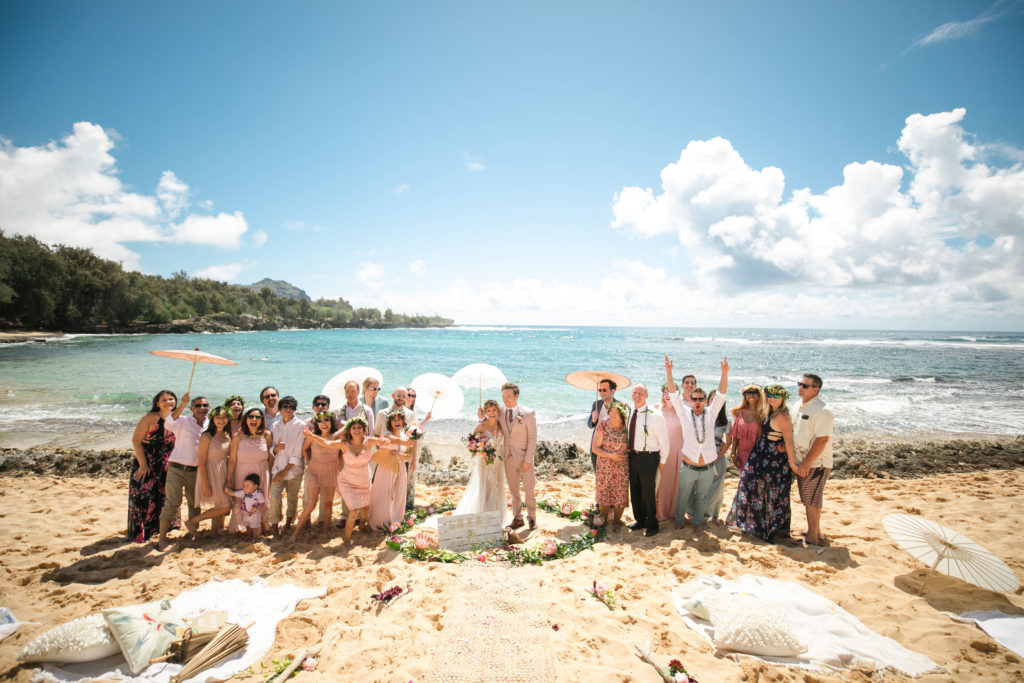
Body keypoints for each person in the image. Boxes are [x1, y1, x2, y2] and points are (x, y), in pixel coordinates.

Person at [725, 384, 797, 543]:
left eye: (776, 396)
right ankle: (756, 524)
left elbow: (790, 441)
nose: (772, 398)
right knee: (753, 488)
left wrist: (793, 464)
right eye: (770, 395)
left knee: (769, 493)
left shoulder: (781, 415)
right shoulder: (769, 412)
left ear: (783, 398)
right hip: (761, 457)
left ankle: (767, 527)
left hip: (773, 460)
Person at [666, 357, 730, 533]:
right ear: (691, 399)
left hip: (707, 467)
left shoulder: (711, 412)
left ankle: (697, 524)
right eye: (695, 398)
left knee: (702, 498)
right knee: (683, 496)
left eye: (701, 398)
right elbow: (673, 394)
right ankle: (679, 520)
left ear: (705, 400)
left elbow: (721, 394)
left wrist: (724, 374)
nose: (698, 401)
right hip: (688, 466)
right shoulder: (684, 412)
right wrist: (669, 372)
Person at [304, 416, 390, 546]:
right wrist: (311, 436)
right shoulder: (343, 444)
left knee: (365, 507)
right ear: (349, 430)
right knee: (354, 511)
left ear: (364, 429)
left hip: (364, 480)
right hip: (347, 481)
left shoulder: (369, 441)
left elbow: (382, 440)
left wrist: (384, 441)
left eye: (359, 427)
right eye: (354, 428)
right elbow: (326, 443)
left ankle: (361, 525)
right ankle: (347, 538)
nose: (356, 430)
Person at [158, 393, 210, 551]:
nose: (202, 408)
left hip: (196, 471)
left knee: (195, 504)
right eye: (198, 405)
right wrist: (181, 405)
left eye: (205, 405)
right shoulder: (183, 420)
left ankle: (193, 533)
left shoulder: (209, 423)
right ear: (192, 408)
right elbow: (168, 423)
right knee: (172, 504)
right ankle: (162, 539)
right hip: (177, 468)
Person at [128, 390, 177, 543]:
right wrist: (143, 465)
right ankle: (141, 533)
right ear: (157, 403)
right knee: (143, 496)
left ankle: (163, 529)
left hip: (167, 464)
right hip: (148, 462)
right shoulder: (149, 418)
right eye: (164, 400)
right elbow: (136, 441)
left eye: (171, 399)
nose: (168, 402)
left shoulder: (175, 419)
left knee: (163, 497)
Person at [793, 374, 834, 547]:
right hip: (802, 461)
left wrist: (806, 463)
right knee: (808, 498)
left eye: (805, 385)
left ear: (816, 389)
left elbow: (822, 439)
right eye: (799, 384)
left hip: (816, 463)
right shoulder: (798, 405)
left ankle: (813, 537)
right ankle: (814, 531)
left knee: (812, 500)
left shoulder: (822, 410)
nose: (800, 387)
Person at [625, 383, 671, 537]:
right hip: (633, 456)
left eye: (640, 393)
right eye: (634, 393)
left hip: (649, 457)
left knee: (648, 492)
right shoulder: (631, 412)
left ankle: (652, 524)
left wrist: (663, 461)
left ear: (646, 395)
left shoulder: (655, 415)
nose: (637, 396)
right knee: (635, 490)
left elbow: (664, 441)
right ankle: (640, 520)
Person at [451, 399, 507, 523]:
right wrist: (482, 451)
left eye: (494, 410)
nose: (491, 413)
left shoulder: (501, 424)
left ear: (498, 410)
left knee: (497, 486)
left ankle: (497, 518)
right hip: (484, 461)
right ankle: (482, 517)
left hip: (498, 460)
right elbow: (472, 444)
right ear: (485, 412)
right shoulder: (481, 426)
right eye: (488, 411)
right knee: (484, 486)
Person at [290, 411, 342, 542]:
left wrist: (339, 464)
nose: (323, 423)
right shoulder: (311, 436)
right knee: (311, 503)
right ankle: (296, 533)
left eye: (326, 420)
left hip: (331, 471)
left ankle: (325, 529)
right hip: (314, 471)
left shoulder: (336, 436)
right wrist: (308, 463)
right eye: (320, 421)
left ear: (332, 422)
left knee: (328, 503)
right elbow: (304, 449)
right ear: (316, 423)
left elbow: (342, 450)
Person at [183, 405, 234, 537]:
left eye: (224, 417)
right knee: (225, 506)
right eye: (218, 418)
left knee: (220, 505)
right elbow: (202, 461)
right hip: (211, 472)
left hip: (223, 470)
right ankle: (193, 521)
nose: (221, 420)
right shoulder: (207, 436)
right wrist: (205, 484)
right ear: (212, 419)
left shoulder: (228, 435)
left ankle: (213, 532)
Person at [226, 407, 273, 535]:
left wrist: (271, 474)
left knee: (262, 499)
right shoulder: (238, 437)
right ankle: (241, 527)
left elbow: (270, 457)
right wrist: (228, 480)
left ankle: (263, 526)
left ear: (262, 420)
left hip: (262, 472)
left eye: (258, 417)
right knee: (241, 500)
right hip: (242, 471)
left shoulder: (266, 435)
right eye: (251, 416)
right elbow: (232, 460)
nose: (254, 419)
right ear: (245, 419)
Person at [498, 382, 538, 530]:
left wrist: (528, 459)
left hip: (524, 457)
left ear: (516, 396)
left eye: (508, 396)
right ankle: (517, 517)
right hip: (508, 456)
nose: (505, 399)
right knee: (513, 490)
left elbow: (532, 438)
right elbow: (490, 422)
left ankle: (532, 518)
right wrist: (481, 416)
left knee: (529, 490)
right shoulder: (500, 412)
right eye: (503, 396)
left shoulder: (528, 413)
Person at [368, 409, 416, 531]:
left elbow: (408, 456)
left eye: (399, 419)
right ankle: (381, 521)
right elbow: (403, 442)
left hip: (400, 469)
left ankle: (395, 519)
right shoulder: (386, 434)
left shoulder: (405, 435)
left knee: (398, 493)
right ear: (390, 422)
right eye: (394, 420)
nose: (397, 422)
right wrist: (416, 434)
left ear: (403, 421)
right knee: (385, 493)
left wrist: (399, 455)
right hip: (386, 469)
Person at [269, 396, 305, 537]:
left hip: (294, 469)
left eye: (291, 407)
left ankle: (288, 524)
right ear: (280, 409)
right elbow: (271, 448)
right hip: (277, 468)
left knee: (292, 497)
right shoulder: (274, 425)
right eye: (285, 407)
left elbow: (298, 451)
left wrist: (285, 471)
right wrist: (275, 449)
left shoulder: (300, 425)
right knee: (275, 498)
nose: (288, 410)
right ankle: (275, 527)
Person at [592, 401, 630, 531]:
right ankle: (603, 517)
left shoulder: (627, 426)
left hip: (622, 466)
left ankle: (617, 521)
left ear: (622, 414)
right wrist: (611, 455)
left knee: (620, 493)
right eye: (611, 411)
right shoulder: (603, 424)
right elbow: (595, 448)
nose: (613, 414)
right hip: (604, 465)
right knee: (604, 492)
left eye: (617, 412)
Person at [655, 384, 684, 522]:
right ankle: (660, 511)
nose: (667, 395)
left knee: (676, 482)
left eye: (670, 392)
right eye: (665, 392)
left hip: (679, 449)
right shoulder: (656, 408)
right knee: (662, 482)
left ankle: (674, 511)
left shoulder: (682, 410)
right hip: (662, 450)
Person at [723, 385, 765, 472]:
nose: (751, 396)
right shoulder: (738, 412)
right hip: (742, 454)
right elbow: (735, 436)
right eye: (748, 393)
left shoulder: (763, 414)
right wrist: (733, 453)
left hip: (758, 454)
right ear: (744, 395)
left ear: (759, 395)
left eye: (755, 393)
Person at [225, 473, 267, 541]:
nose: (245, 487)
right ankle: (249, 535)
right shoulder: (243, 493)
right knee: (247, 525)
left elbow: (262, 504)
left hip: (255, 515)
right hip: (246, 514)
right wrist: (228, 491)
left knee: (255, 526)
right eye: (244, 485)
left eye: (248, 486)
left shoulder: (258, 495)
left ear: (255, 486)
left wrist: (257, 508)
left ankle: (255, 537)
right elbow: (235, 493)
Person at [587, 379, 617, 472]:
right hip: (596, 448)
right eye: (600, 390)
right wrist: (593, 420)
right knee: (598, 478)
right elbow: (590, 425)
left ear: (613, 391)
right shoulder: (596, 404)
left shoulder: (619, 406)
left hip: (611, 449)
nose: (601, 393)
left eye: (604, 390)